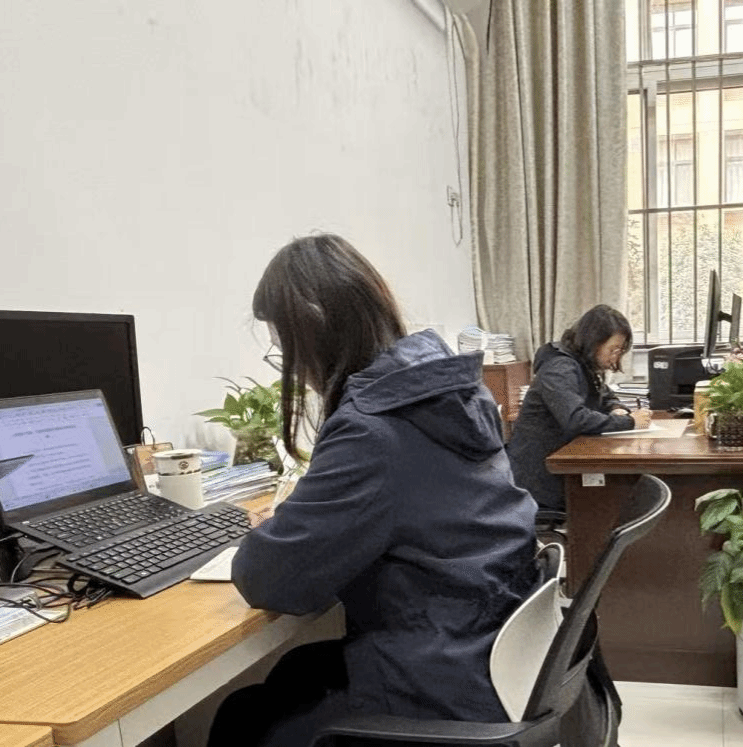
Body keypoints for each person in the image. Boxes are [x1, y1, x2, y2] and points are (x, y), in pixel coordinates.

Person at [208, 234, 539, 746]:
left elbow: (269, 581)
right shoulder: (452, 391)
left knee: (242, 718)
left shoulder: (374, 429)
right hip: (486, 649)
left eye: (286, 349)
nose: (296, 370)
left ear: (315, 328)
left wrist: (279, 529)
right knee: (296, 668)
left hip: (442, 683)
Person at [506, 304, 651, 515]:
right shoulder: (560, 367)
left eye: (620, 351)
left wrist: (616, 408)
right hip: (542, 474)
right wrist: (630, 422)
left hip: (563, 461)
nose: (615, 358)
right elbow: (575, 418)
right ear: (594, 342)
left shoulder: (584, 365)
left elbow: (605, 395)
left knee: (619, 493)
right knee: (613, 498)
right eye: (613, 350)